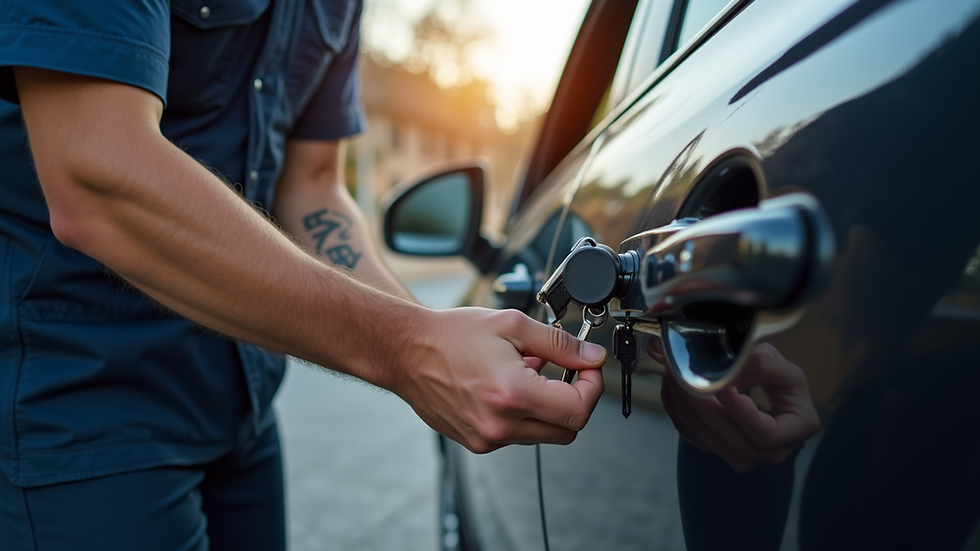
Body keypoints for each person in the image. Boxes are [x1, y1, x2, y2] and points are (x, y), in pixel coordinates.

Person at [0, 1, 607, 549]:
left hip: (242, 400)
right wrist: (406, 349)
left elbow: (312, 184)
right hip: (79, 404)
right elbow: (95, 173)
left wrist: (431, 331)